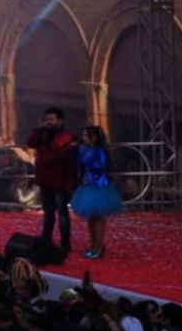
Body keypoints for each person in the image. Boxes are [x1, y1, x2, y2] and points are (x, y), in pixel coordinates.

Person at [26, 106, 77, 255]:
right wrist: (38, 129)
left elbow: (71, 163)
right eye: (47, 119)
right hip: (45, 179)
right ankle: (46, 240)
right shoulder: (43, 134)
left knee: (62, 214)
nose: (49, 122)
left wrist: (70, 183)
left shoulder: (68, 137)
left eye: (51, 119)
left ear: (60, 120)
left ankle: (65, 243)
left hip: (60, 181)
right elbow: (30, 143)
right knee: (48, 213)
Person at [71, 124, 123, 259]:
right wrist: (74, 153)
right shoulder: (83, 148)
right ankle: (92, 245)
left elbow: (102, 166)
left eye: (85, 135)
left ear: (93, 137)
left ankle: (98, 246)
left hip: (98, 187)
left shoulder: (100, 150)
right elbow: (77, 163)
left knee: (98, 217)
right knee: (90, 218)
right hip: (86, 185)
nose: (82, 138)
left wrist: (86, 160)